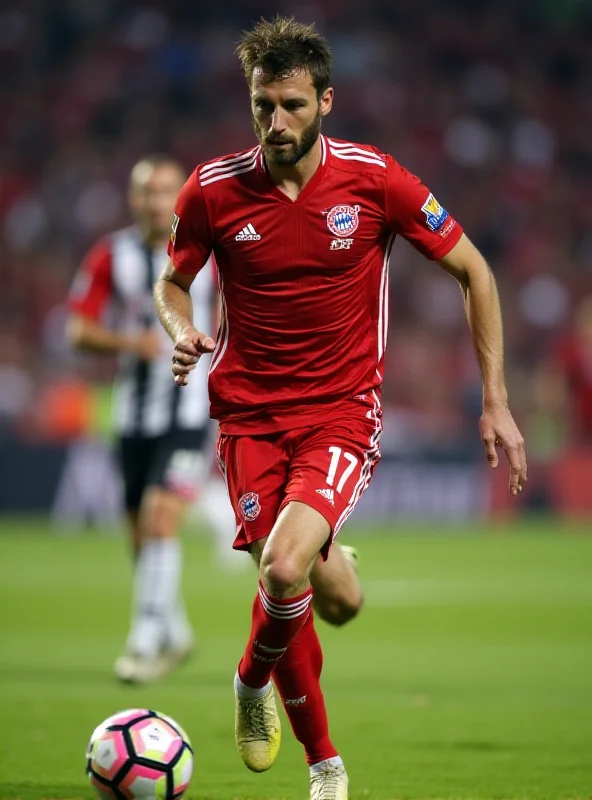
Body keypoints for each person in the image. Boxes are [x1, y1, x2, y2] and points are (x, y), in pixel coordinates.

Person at [154, 17, 528, 800]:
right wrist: (181, 328)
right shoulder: (214, 189)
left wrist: (496, 398)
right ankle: (331, 578)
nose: (276, 123)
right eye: (263, 106)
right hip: (248, 416)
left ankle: (287, 723)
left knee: (281, 567)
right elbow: (172, 281)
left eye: (291, 105)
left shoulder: (376, 179)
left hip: (339, 413)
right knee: (332, 598)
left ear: (326, 99)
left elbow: (475, 271)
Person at [67, 155, 241, 684]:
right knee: (140, 535)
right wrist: (130, 343)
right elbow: (78, 331)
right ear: (132, 199)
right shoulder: (110, 256)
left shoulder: (210, 252)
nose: (155, 200)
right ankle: (175, 629)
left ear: (178, 197)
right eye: (145, 191)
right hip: (133, 415)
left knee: (160, 516)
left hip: (191, 411)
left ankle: (143, 641)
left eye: (165, 190)